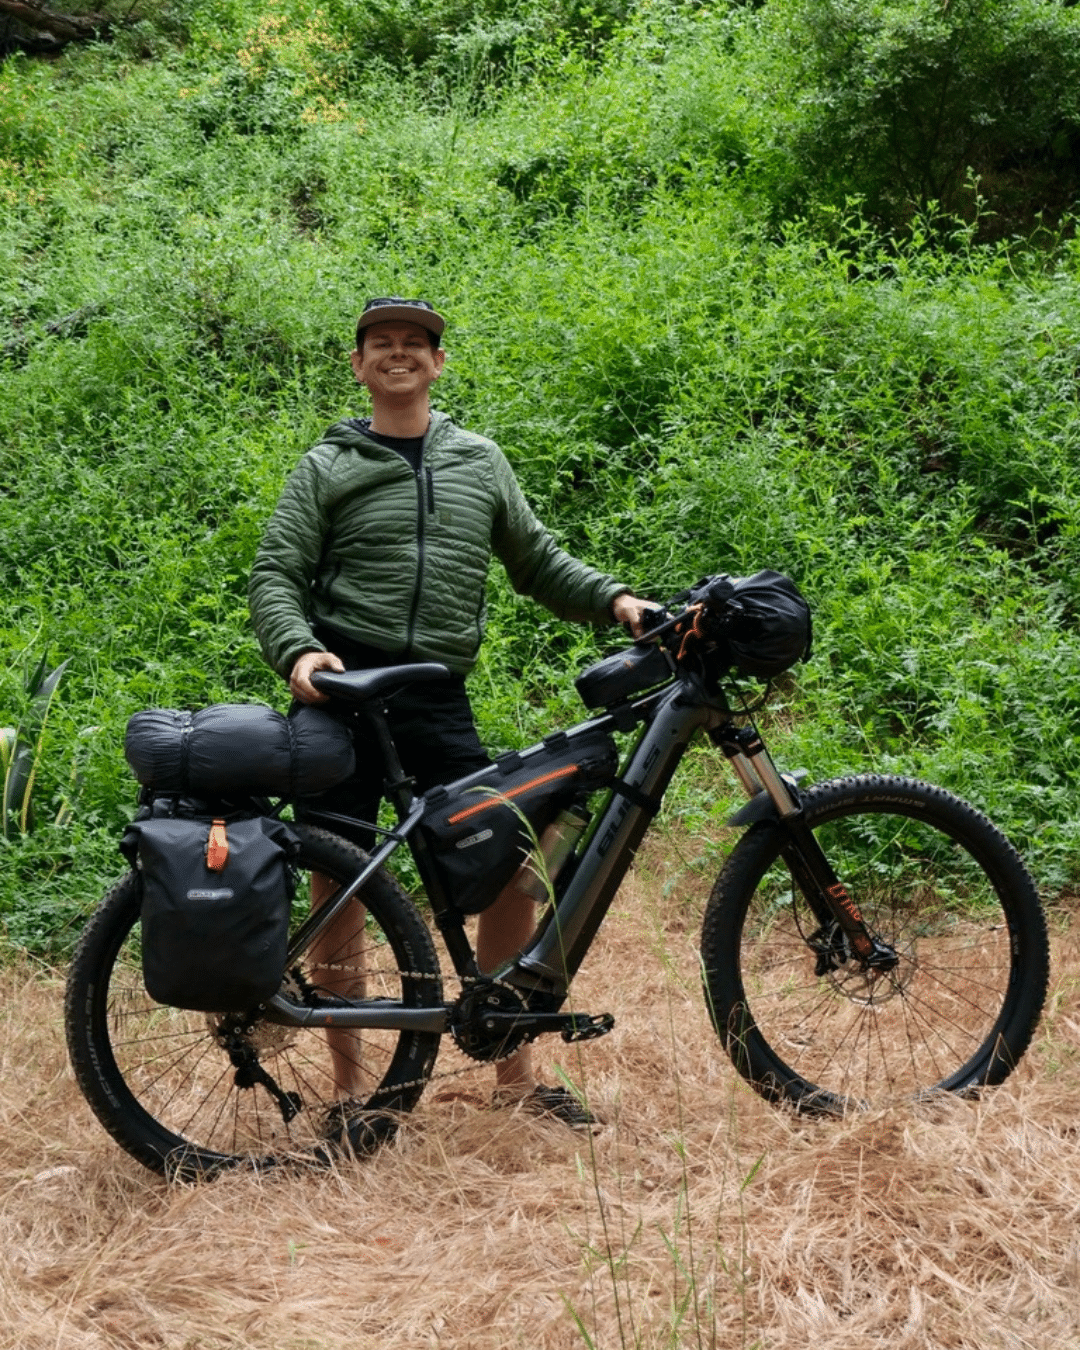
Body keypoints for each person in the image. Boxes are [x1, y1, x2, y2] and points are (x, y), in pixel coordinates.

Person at [249, 297, 653, 1127]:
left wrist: (616, 601)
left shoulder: (478, 460)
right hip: (341, 687)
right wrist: (298, 654)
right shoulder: (327, 466)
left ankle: (516, 1078)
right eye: (381, 344)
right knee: (342, 884)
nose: (398, 354)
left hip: (435, 693)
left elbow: (537, 560)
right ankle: (354, 1092)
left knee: (508, 861)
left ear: (437, 363)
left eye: (415, 344)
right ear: (358, 366)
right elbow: (276, 574)